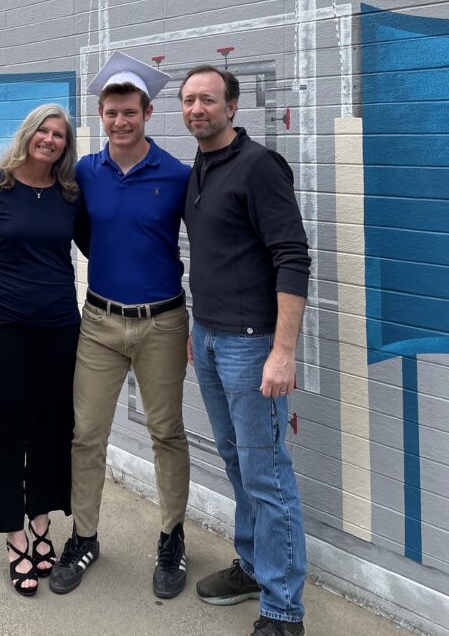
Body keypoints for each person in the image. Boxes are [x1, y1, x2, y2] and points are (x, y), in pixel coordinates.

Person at [49, 52, 192, 600]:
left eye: (129, 112)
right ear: (101, 115)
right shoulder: (85, 171)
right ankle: (84, 536)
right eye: (111, 113)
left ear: (148, 113)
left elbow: (212, 236)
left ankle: (171, 537)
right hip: (101, 323)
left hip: (161, 323)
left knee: (166, 433)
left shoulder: (177, 175)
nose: (119, 122)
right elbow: (42, 200)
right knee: (86, 435)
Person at [179, 64, 311, 636]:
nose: (196, 109)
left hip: (253, 346)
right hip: (209, 339)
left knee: (267, 474)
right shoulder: (200, 169)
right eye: (188, 100)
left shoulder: (258, 167)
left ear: (232, 107)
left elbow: (293, 257)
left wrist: (283, 352)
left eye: (208, 99)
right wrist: (197, 328)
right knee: (237, 464)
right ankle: (255, 567)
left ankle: (284, 613)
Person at [0, 103, 88, 596]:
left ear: (66, 146)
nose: (50, 140)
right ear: (28, 134)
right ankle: (13, 536)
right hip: (1, 327)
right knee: (1, 431)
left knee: (50, 428)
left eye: (59, 135)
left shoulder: (71, 193)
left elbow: (100, 241)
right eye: (43, 131)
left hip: (58, 328)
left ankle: (42, 522)